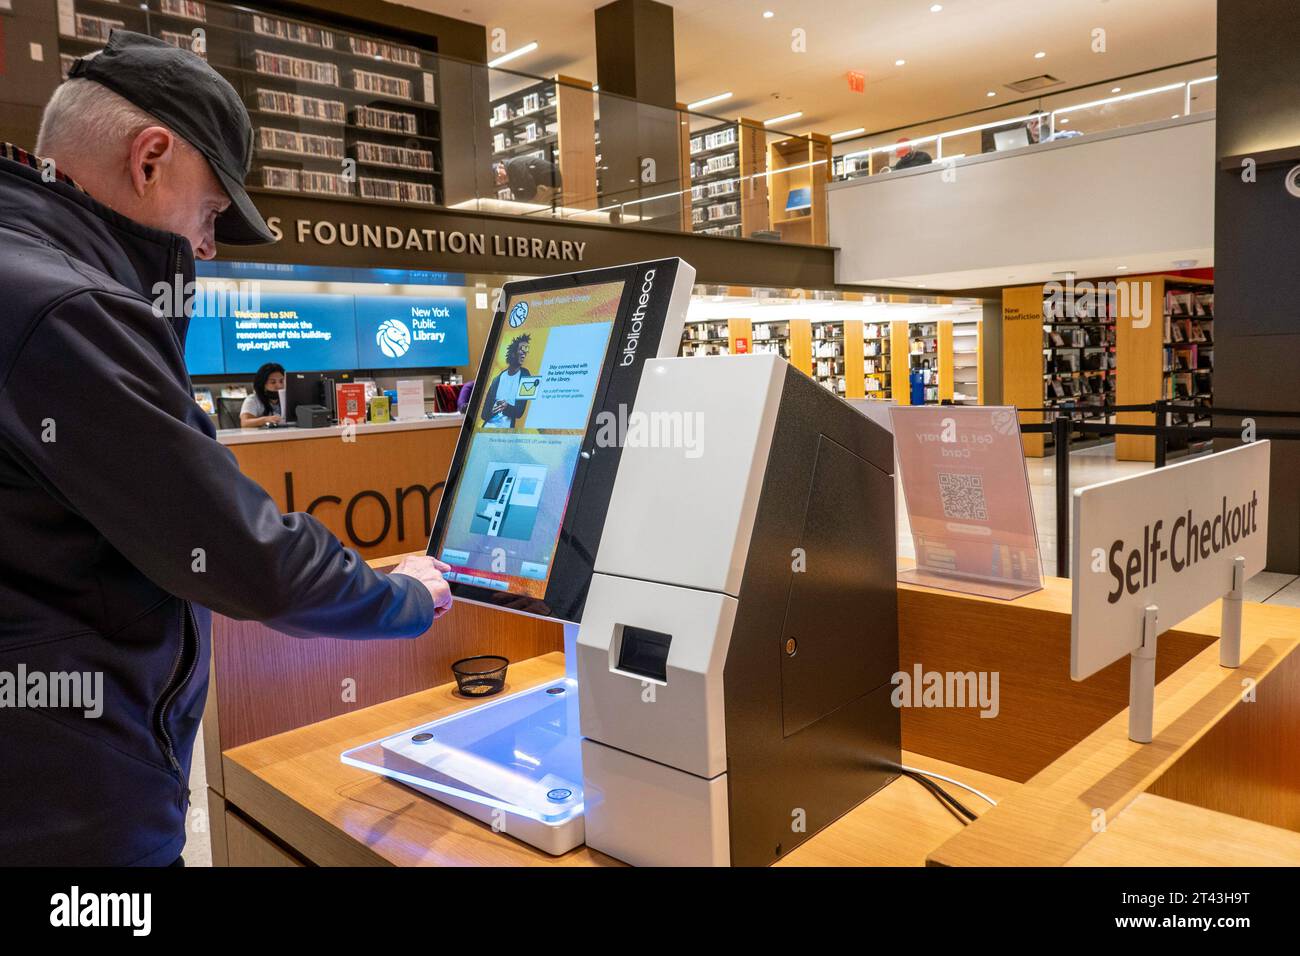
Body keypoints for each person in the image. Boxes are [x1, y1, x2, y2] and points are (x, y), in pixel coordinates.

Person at [0, 31, 453, 867]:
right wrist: (407, 599)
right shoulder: (66, 308)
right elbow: (245, 556)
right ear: (150, 159)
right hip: (68, 821)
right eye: (210, 212)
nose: (205, 247)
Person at [480, 334, 532, 429]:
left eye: (526, 349)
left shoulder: (525, 375)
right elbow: (484, 414)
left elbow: (519, 412)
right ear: (513, 353)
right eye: (522, 349)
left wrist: (506, 407)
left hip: (505, 433)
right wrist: (493, 409)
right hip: (488, 428)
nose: (524, 353)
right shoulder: (497, 380)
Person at [240, 362, 285, 427]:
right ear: (262, 384)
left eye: (281, 381)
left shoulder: (288, 398)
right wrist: (265, 420)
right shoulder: (252, 400)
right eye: (273, 382)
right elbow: (245, 423)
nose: (279, 386)